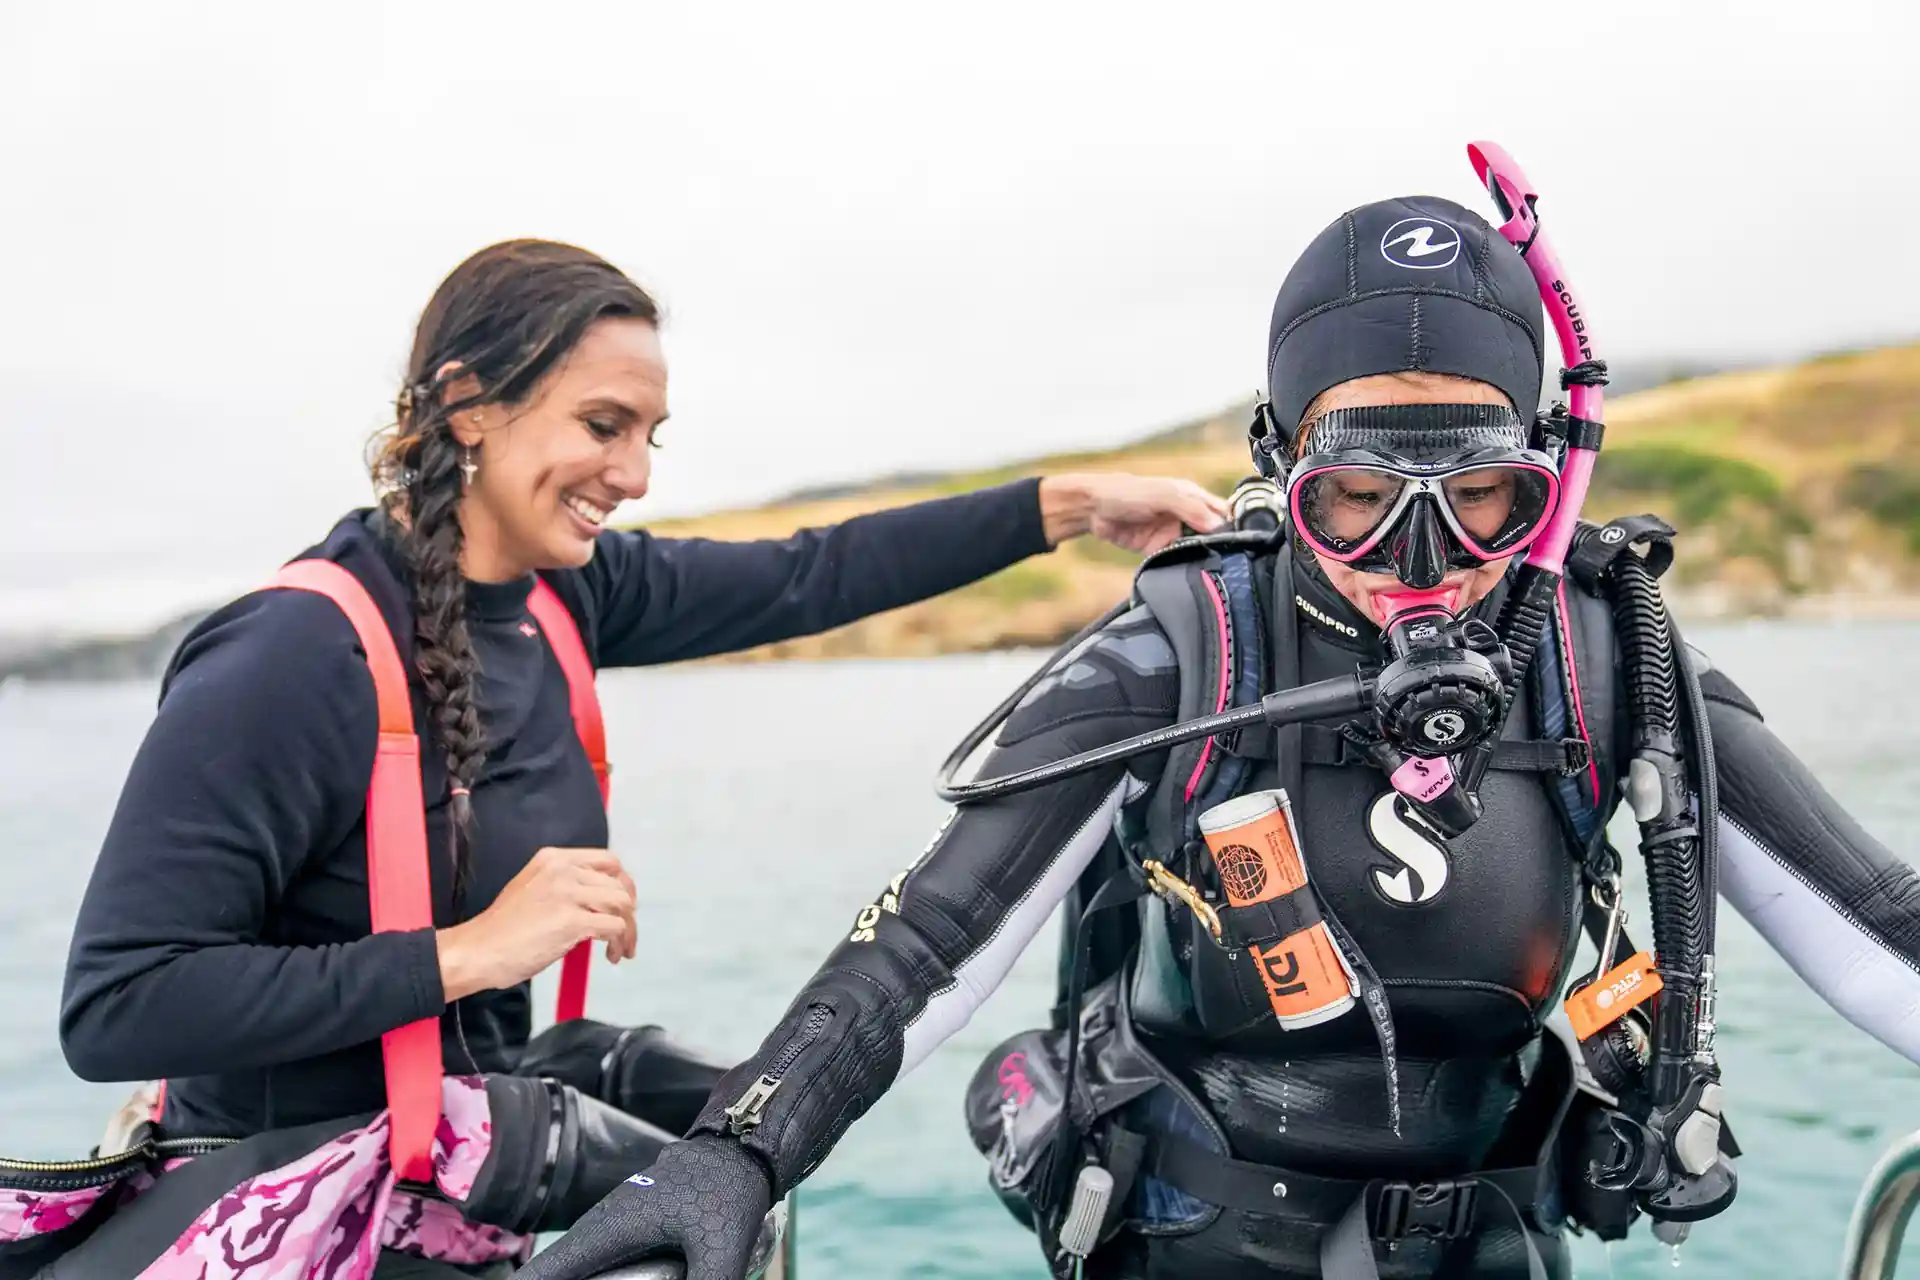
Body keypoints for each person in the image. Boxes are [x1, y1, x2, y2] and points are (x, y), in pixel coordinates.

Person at [518, 190, 1920, 1280]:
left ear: (1547, 486)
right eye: (1356, 495)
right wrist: (738, 1153)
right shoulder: (1194, 653)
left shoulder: (1608, 654)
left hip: (1496, 1240)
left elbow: (1875, 926)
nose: (1417, 556)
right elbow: (928, 941)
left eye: (1482, 494)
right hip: (1191, 1241)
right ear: (1279, 467)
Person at [43, 238, 1230, 1278]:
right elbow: (118, 1005)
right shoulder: (296, 653)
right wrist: (471, 950)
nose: (636, 472)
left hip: (471, 1123)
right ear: (468, 404)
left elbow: (813, 571)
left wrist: (1072, 502)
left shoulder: (569, 596)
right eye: (603, 425)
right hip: (302, 1187)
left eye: (650, 435)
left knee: (751, 1136)